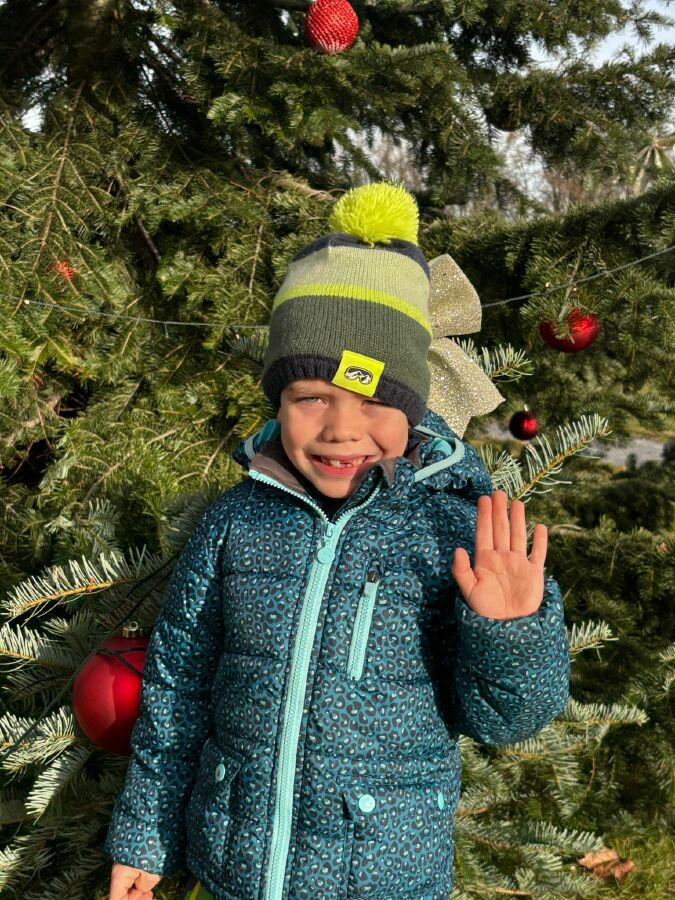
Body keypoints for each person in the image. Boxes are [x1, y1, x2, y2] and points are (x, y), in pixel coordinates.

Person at [104, 182, 569, 900]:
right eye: (311, 397)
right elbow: (178, 684)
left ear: (414, 408)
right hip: (234, 867)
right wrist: (146, 835)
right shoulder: (236, 521)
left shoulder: (452, 531)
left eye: (374, 398)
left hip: (382, 876)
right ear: (279, 401)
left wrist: (508, 632)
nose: (341, 429)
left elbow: (508, 722)